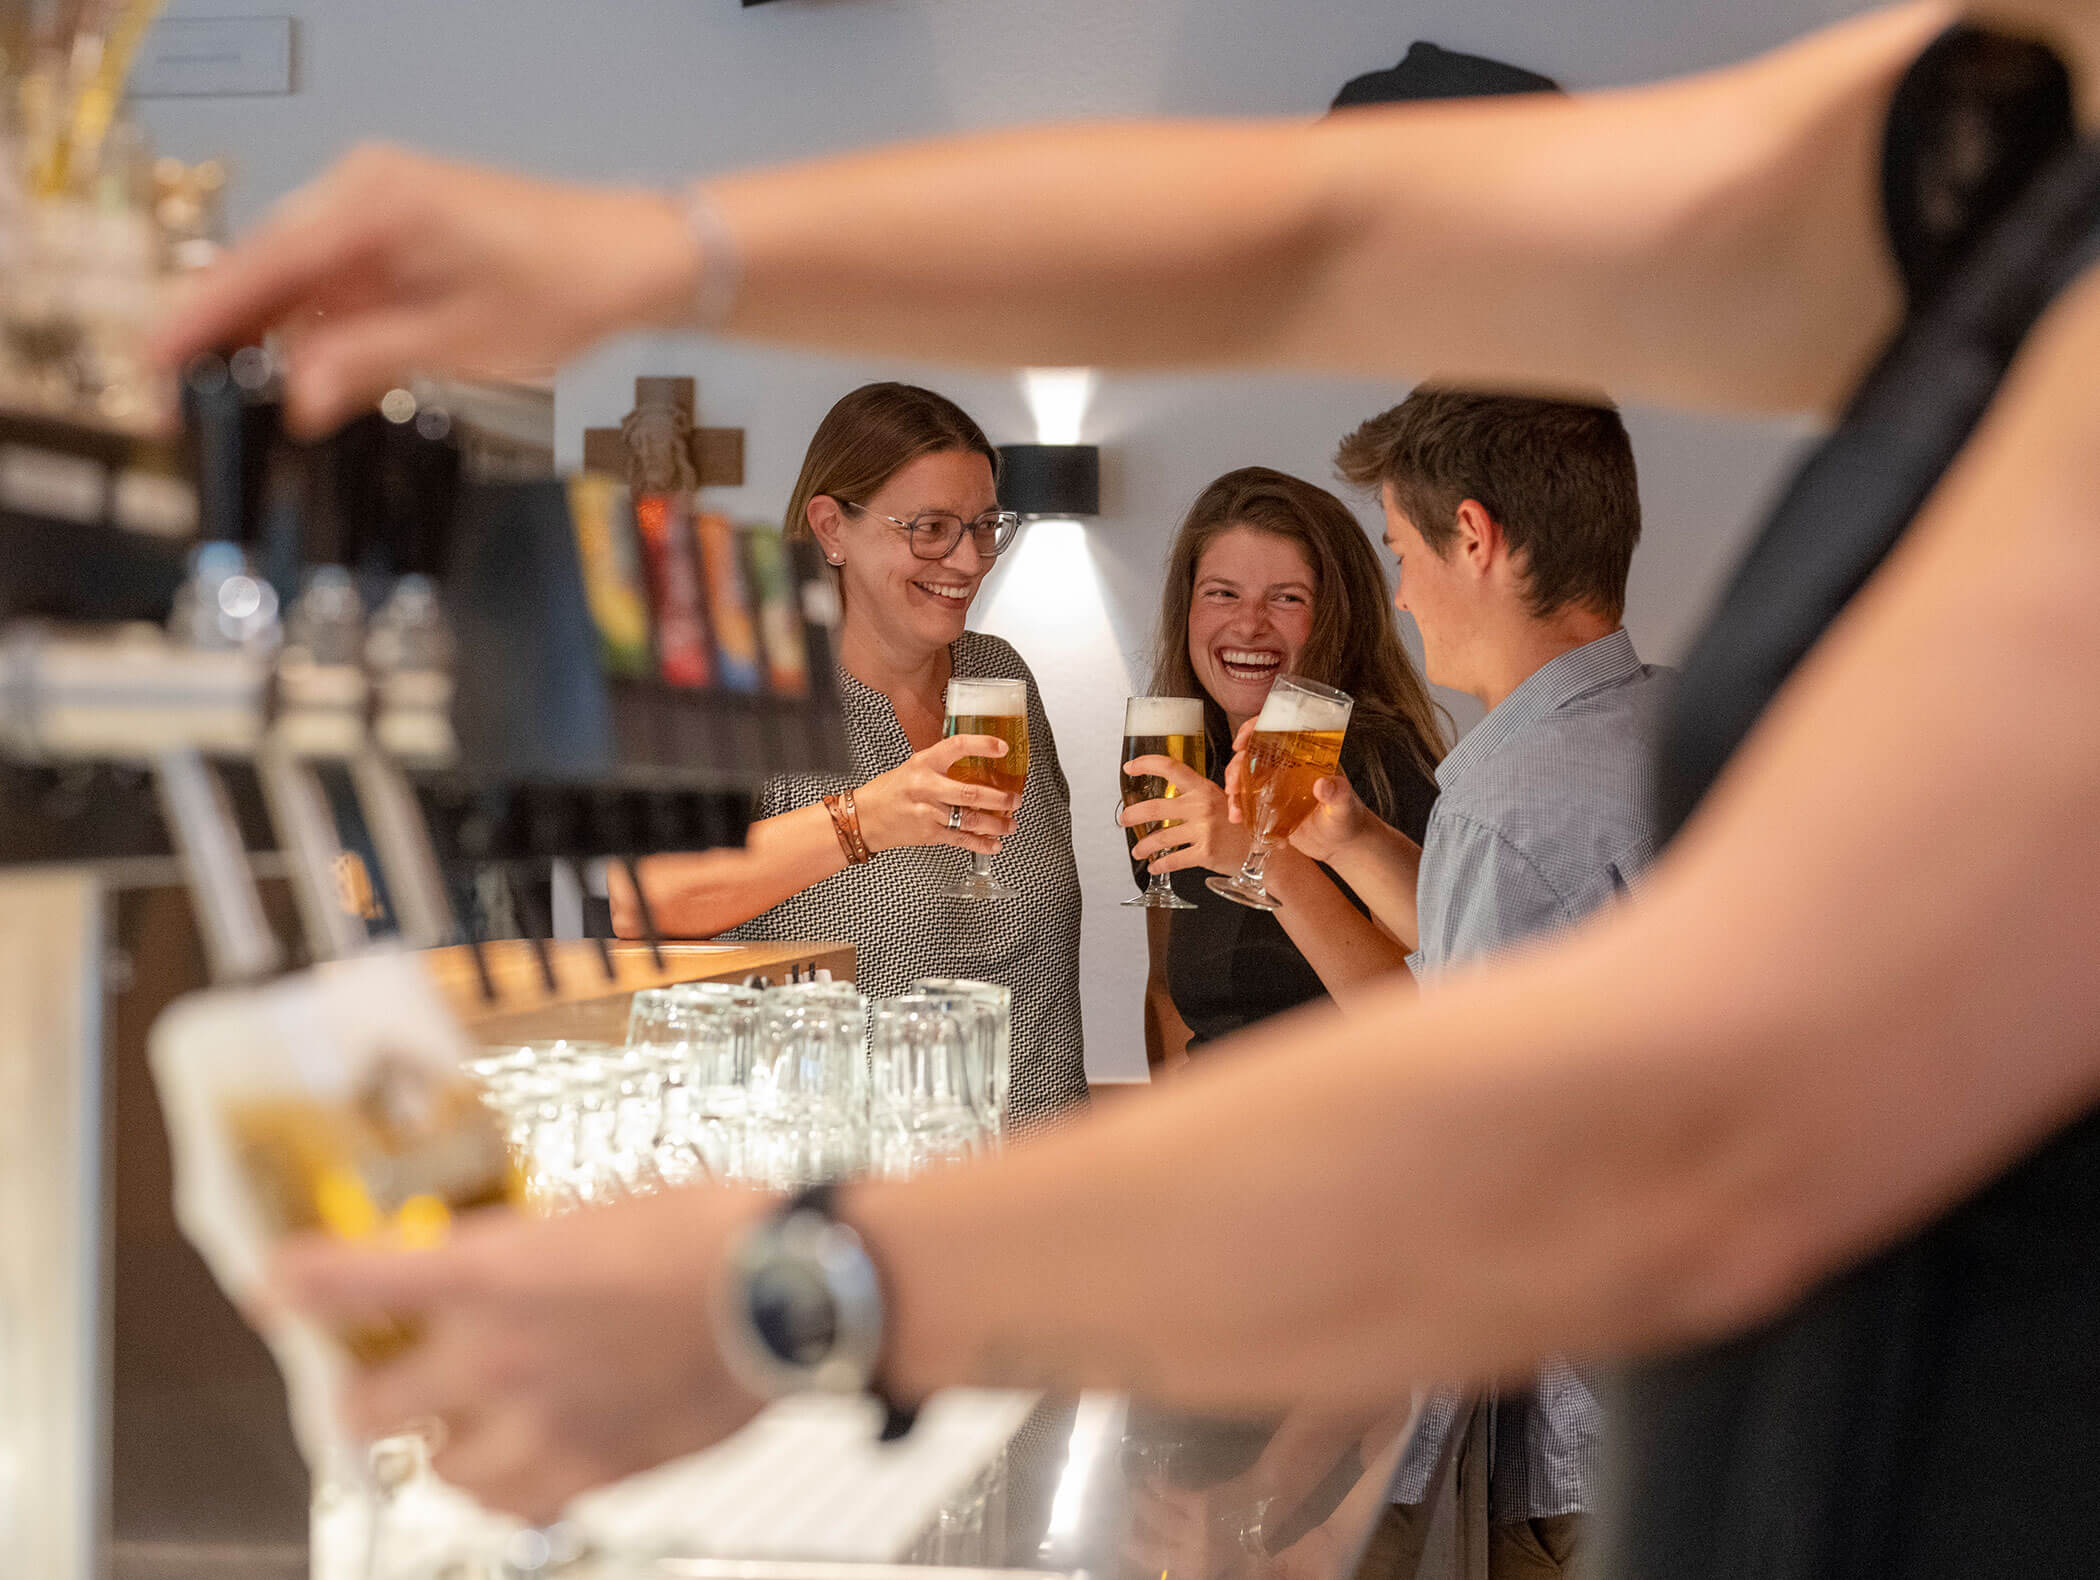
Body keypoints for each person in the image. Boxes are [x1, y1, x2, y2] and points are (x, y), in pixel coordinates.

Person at [160, 7, 2100, 1573]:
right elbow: (1309, 232)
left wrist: (800, 1287)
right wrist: (655, 250)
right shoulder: (2016, 122)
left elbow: (1675, 1126)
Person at [1232, 389, 1664, 1579]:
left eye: (1402, 550)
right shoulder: (1663, 727)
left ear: (1474, 537)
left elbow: (1476, 1159)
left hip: (1570, 1444)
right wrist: (1359, 842)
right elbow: (1538, 973)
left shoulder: (1507, 798)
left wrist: (1337, 1502)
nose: (1405, 590)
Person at [612, 382, 1087, 1126]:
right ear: (832, 528)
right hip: (857, 1196)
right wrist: (861, 820)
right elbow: (642, 896)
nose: (968, 560)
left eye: (986, 525)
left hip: (1051, 1170)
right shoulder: (755, 687)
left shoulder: (1002, 675)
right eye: (930, 527)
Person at [1120, 465, 1442, 1071]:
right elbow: (1166, 990)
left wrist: (1260, 858)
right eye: (1222, 593)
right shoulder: (1188, 765)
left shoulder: (1379, 768)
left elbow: (1413, 1019)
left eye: (1287, 598)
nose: (1248, 624)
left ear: (1338, 619)